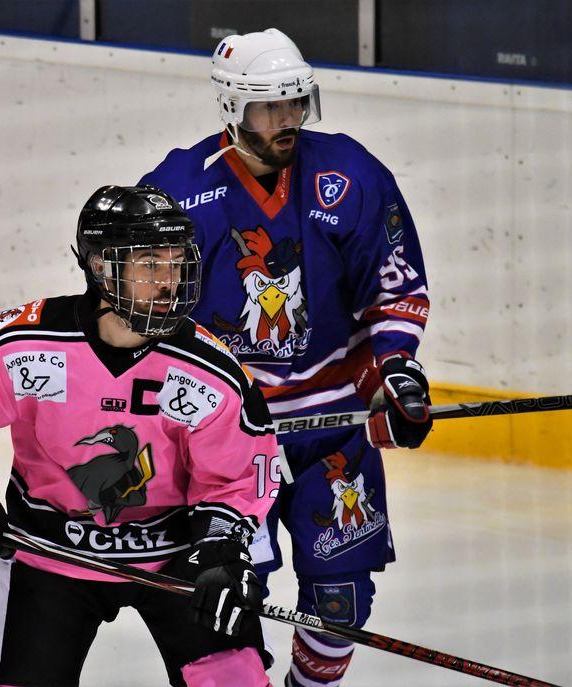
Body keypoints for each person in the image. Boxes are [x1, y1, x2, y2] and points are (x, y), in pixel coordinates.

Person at [139, 29, 433, 687]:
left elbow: (395, 285)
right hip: (230, 436)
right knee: (222, 597)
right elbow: (144, 315)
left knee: (341, 601)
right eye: (272, 107)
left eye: (297, 103)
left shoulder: (351, 176)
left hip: (334, 428)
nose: (289, 120)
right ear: (233, 108)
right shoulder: (180, 192)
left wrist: (397, 373)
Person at [0, 185, 280, 687]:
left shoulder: (211, 372)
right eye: (150, 264)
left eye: (176, 263)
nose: (169, 281)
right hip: (50, 552)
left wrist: (222, 552)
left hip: (174, 559)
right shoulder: (27, 342)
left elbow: (236, 478)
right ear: (102, 266)